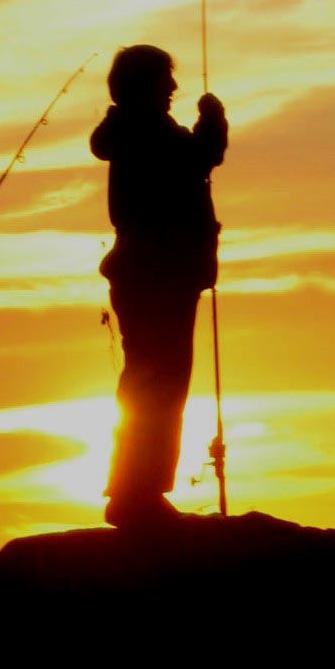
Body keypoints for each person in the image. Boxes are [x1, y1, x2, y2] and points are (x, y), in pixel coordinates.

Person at [90, 45, 228, 528]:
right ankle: (135, 494)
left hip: (154, 273)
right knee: (158, 386)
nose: (172, 89)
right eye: (164, 81)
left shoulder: (134, 131)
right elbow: (201, 157)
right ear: (144, 85)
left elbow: (194, 159)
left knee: (155, 384)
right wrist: (213, 117)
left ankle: (136, 490)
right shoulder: (146, 131)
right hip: (157, 274)